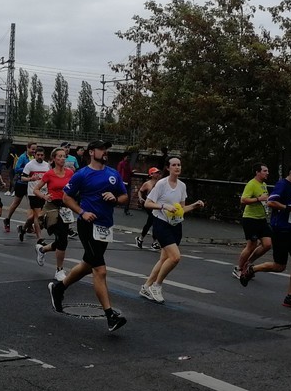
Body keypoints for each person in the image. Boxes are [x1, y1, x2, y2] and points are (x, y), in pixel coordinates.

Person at [48, 139, 129, 332]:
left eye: (106, 149)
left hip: (105, 227)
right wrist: (82, 212)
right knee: (100, 270)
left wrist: (115, 198)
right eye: (102, 149)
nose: (105, 152)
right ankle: (110, 316)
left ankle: (59, 288)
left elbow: (125, 196)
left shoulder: (113, 174)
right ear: (92, 152)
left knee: (87, 265)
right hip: (87, 225)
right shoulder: (82, 174)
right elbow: (66, 197)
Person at [239, 161, 291, 310]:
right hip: (281, 230)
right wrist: (290, 208)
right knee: (279, 266)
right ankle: (252, 269)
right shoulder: (282, 185)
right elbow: (271, 202)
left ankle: (290, 297)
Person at [139, 157, 205, 304]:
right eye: (174, 165)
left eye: (179, 165)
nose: (177, 167)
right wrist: (164, 206)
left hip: (175, 224)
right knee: (175, 257)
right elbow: (148, 204)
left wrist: (194, 205)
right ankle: (157, 286)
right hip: (161, 223)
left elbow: (181, 209)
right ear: (168, 168)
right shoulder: (162, 184)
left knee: (164, 259)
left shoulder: (182, 186)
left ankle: (146, 286)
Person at [34, 148, 75, 281]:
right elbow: (36, 189)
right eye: (60, 156)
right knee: (62, 238)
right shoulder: (49, 174)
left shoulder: (70, 173)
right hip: (52, 208)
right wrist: (44, 196)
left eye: (64, 156)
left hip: (65, 208)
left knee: (61, 240)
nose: (63, 158)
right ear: (54, 159)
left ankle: (42, 250)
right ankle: (59, 270)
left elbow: (76, 187)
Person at [234, 163, 272, 278]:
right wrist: (258, 199)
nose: (267, 173)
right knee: (251, 244)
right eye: (265, 171)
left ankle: (248, 263)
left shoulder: (264, 184)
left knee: (267, 244)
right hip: (250, 219)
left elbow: (265, 200)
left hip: (262, 219)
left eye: (267, 171)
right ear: (257, 172)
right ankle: (239, 268)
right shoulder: (251, 184)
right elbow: (243, 200)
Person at [4, 141, 39, 233]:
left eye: (35, 149)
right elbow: (16, 169)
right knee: (16, 203)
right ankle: (7, 219)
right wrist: (27, 168)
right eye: (32, 149)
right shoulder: (23, 157)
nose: (34, 151)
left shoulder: (35, 158)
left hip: (30, 185)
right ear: (27, 148)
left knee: (31, 205)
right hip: (21, 183)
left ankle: (29, 225)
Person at [136, 168, 161, 250]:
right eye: (155, 173)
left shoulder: (160, 183)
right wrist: (140, 198)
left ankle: (141, 238)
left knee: (150, 222)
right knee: (154, 221)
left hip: (156, 205)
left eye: (158, 173)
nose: (157, 174)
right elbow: (140, 191)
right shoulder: (147, 184)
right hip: (149, 205)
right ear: (151, 174)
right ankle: (154, 242)